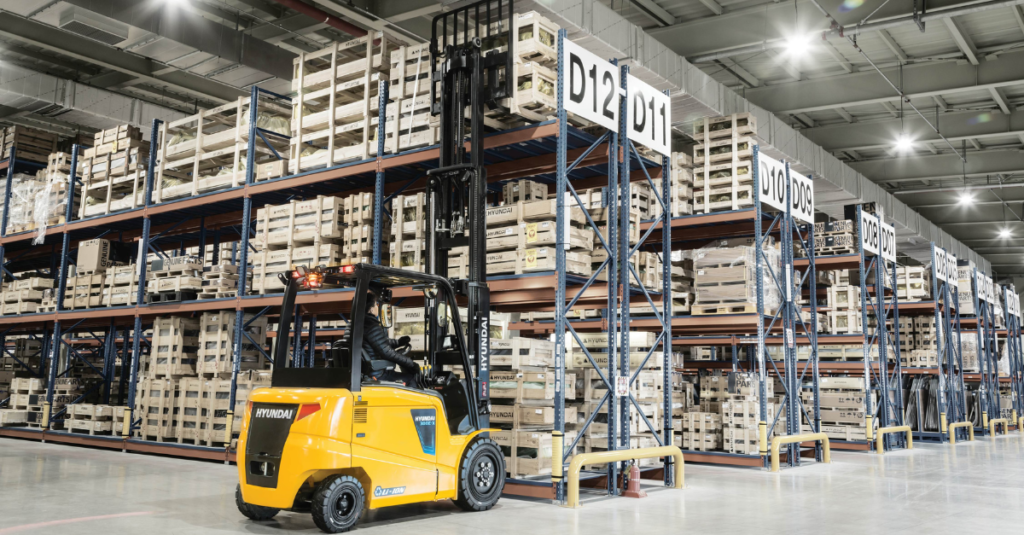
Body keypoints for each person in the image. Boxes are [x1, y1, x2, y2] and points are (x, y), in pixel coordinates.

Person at [358, 292, 422, 386]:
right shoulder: (370, 325)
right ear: (371, 309)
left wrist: (398, 342)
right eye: (376, 304)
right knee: (412, 379)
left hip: (366, 373)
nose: (377, 307)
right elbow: (387, 353)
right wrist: (410, 363)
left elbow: (379, 342)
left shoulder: (355, 325)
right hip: (377, 375)